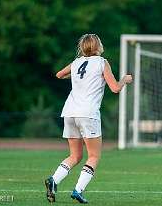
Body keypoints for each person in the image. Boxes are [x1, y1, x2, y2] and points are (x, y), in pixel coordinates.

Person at [44, 34, 133, 203]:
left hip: (69, 112)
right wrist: (124, 80)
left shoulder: (76, 62)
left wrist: (78, 78)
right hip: (88, 113)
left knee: (75, 155)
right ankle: (78, 190)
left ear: (83, 47)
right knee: (93, 156)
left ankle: (54, 180)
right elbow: (115, 88)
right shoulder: (101, 62)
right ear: (98, 46)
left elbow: (59, 74)